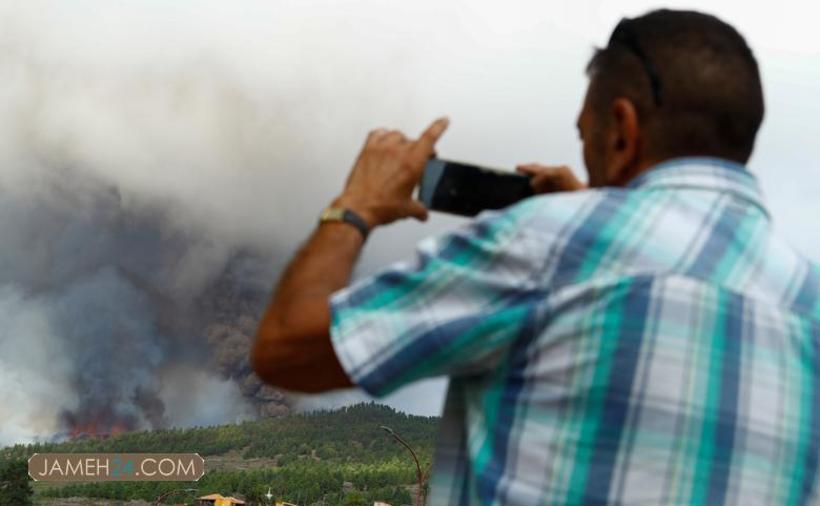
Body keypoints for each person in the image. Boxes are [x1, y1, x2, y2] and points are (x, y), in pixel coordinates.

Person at [251, 9, 820, 505]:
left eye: (587, 136)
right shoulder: (807, 299)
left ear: (621, 130)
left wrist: (356, 206)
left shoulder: (549, 241)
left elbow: (287, 348)